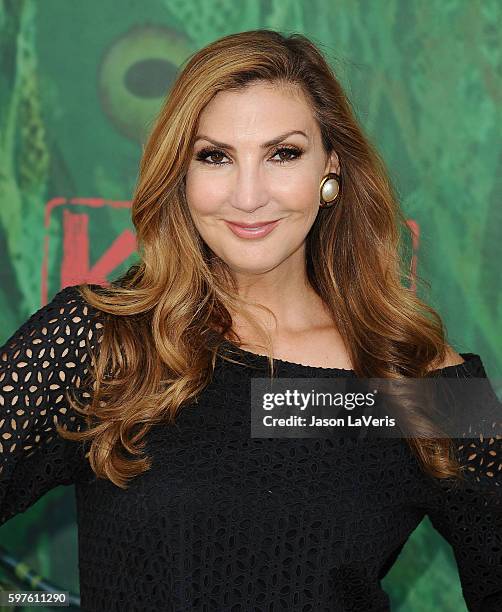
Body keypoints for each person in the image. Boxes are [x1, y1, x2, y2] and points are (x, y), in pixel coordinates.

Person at [1, 29, 501, 612]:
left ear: (330, 165)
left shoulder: (417, 379)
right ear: (180, 176)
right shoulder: (102, 338)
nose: (247, 196)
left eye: (282, 154)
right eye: (214, 157)